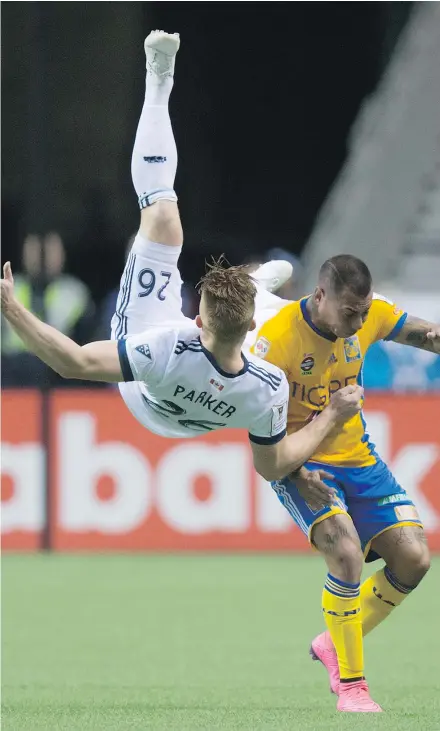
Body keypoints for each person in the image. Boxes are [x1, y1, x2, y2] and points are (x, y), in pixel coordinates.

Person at [0, 31, 364, 484]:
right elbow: (272, 466)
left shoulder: (164, 348)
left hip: (143, 381)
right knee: (284, 325)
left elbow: (72, 361)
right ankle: (254, 289)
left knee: (163, 218)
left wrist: (12, 308)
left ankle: (158, 83)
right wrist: (331, 416)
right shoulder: (267, 385)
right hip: (205, 386)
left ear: (195, 318)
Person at [251, 254, 440, 712]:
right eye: (348, 312)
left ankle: (334, 643)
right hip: (304, 466)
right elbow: (263, 450)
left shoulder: (369, 313)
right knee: (347, 554)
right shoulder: (274, 343)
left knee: (415, 558)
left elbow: (428, 334)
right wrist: (295, 472)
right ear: (319, 297)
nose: (357, 323)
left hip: (361, 460)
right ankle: (353, 687)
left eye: (363, 311)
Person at [1, 232, 95, 387]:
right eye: (33, 250)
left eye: (51, 251)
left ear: (63, 254)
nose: (41, 257)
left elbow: (85, 341)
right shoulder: (11, 287)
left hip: (60, 373)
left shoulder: (74, 292)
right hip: (12, 376)